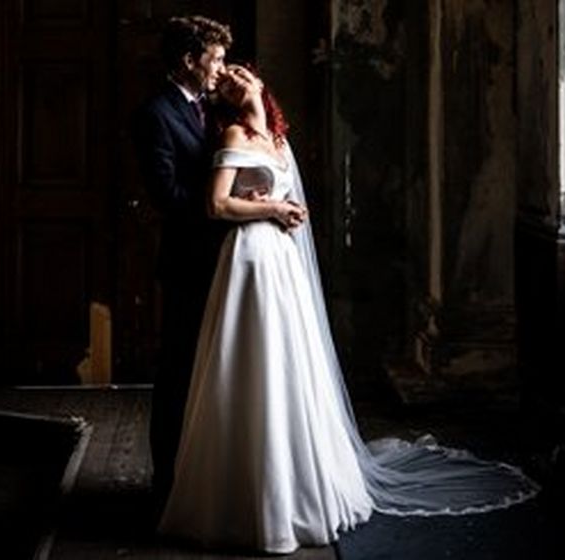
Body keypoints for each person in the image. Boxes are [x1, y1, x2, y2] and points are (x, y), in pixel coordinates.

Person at [157, 65, 540, 554]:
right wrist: (273, 209)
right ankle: (246, 500)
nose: (234, 80)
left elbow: (279, 198)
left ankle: (296, 483)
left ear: (258, 84)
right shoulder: (234, 132)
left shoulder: (275, 137)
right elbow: (217, 205)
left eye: (240, 74)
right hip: (250, 259)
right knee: (252, 360)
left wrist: (288, 212)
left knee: (289, 363)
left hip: (279, 259)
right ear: (228, 100)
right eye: (226, 81)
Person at [133, 15, 232, 512]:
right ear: (189, 61)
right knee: (177, 371)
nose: (221, 68)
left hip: (228, 262)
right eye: (214, 59)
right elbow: (166, 193)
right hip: (189, 261)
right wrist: (222, 208)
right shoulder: (156, 113)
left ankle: (207, 476)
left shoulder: (212, 108)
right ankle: (167, 482)